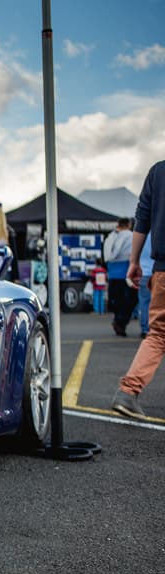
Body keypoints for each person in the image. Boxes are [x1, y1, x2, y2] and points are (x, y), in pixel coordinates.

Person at [112, 160, 165, 418]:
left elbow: (142, 219)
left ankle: (128, 392)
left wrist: (133, 261)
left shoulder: (158, 172)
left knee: (158, 334)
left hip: (163, 268)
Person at [103, 217, 137, 336]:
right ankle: (120, 322)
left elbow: (108, 256)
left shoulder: (111, 236)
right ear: (128, 224)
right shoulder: (130, 235)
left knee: (116, 300)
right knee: (130, 300)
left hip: (112, 272)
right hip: (125, 271)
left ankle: (118, 320)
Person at [136, 231, 154, 338]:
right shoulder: (159, 233)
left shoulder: (140, 235)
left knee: (144, 303)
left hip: (143, 273)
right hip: (158, 272)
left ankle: (145, 329)